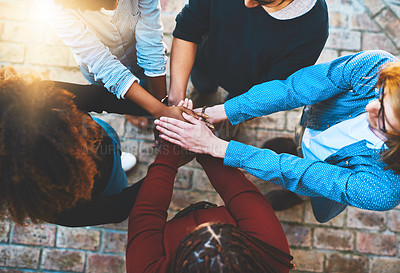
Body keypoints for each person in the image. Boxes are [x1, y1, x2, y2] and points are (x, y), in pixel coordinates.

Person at [155, 50, 400, 223]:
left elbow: (300, 172)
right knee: (293, 145)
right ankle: (296, 145)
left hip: (322, 173)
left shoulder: (384, 189)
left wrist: (217, 147)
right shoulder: (376, 67)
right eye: (379, 98)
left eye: (383, 119)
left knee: (302, 184)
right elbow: (292, 89)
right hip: (311, 127)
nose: (370, 108)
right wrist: (218, 112)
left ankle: (297, 196)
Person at [0, 68, 200, 227]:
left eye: (68, 120)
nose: (88, 129)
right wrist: (168, 165)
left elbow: (97, 97)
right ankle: (116, 171)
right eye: (72, 141)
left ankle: (116, 161)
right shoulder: (53, 204)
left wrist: (160, 111)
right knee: (117, 182)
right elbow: (118, 207)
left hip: (103, 153)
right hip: (103, 184)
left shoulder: (31, 98)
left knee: (110, 146)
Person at [126, 139, 294, 272]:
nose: (207, 227)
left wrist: (171, 150)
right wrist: (203, 146)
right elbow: (242, 195)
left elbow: (147, 214)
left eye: (191, 239)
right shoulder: (271, 257)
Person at [34, 0, 171, 128]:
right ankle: (131, 107)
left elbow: (150, 41)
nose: (115, 7)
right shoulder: (53, 5)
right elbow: (101, 63)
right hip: (99, 69)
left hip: (136, 53)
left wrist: (162, 108)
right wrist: (162, 111)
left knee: (146, 86)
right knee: (117, 94)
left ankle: (139, 100)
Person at [167, 0, 329, 107]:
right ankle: (204, 91)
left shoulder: (312, 29)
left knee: (236, 104)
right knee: (202, 84)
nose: (247, 3)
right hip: (205, 58)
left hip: (248, 87)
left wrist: (232, 113)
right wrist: (175, 98)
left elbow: (272, 90)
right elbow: (188, 26)